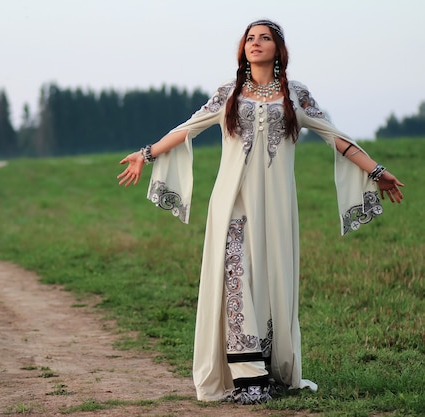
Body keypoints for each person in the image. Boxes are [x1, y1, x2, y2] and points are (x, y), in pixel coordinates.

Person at [117, 19, 404, 405]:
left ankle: (270, 370)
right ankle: (247, 375)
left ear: (278, 49)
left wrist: (377, 171)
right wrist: (146, 153)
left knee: (270, 280)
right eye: (250, 38)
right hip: (232, 203)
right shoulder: (229, 93)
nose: (255, 43)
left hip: (277, 207)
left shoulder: (295, 95)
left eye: (264, 38)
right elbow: (187, 129)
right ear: (243, 49)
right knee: (236, 276)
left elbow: (335, 137)